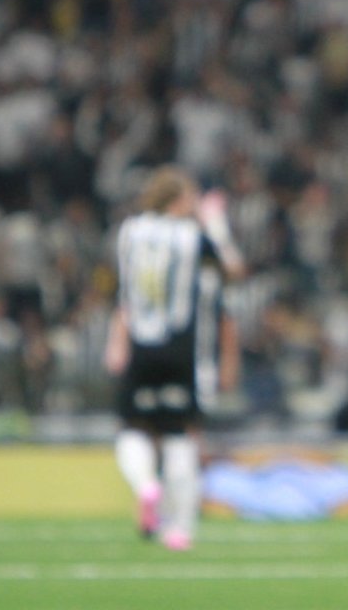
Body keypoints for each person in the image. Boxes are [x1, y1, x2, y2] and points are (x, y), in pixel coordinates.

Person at [104, 166, 244, 551]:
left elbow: (123, 297)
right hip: (182, 349)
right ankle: (179, 530)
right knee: (181, 437)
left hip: (140, 345)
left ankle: (146, 484)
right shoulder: (190, 237)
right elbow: (233, 269)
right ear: (178, 200)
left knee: (133, 429)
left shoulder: (129, 232)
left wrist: (116, 343)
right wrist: (215, 223)